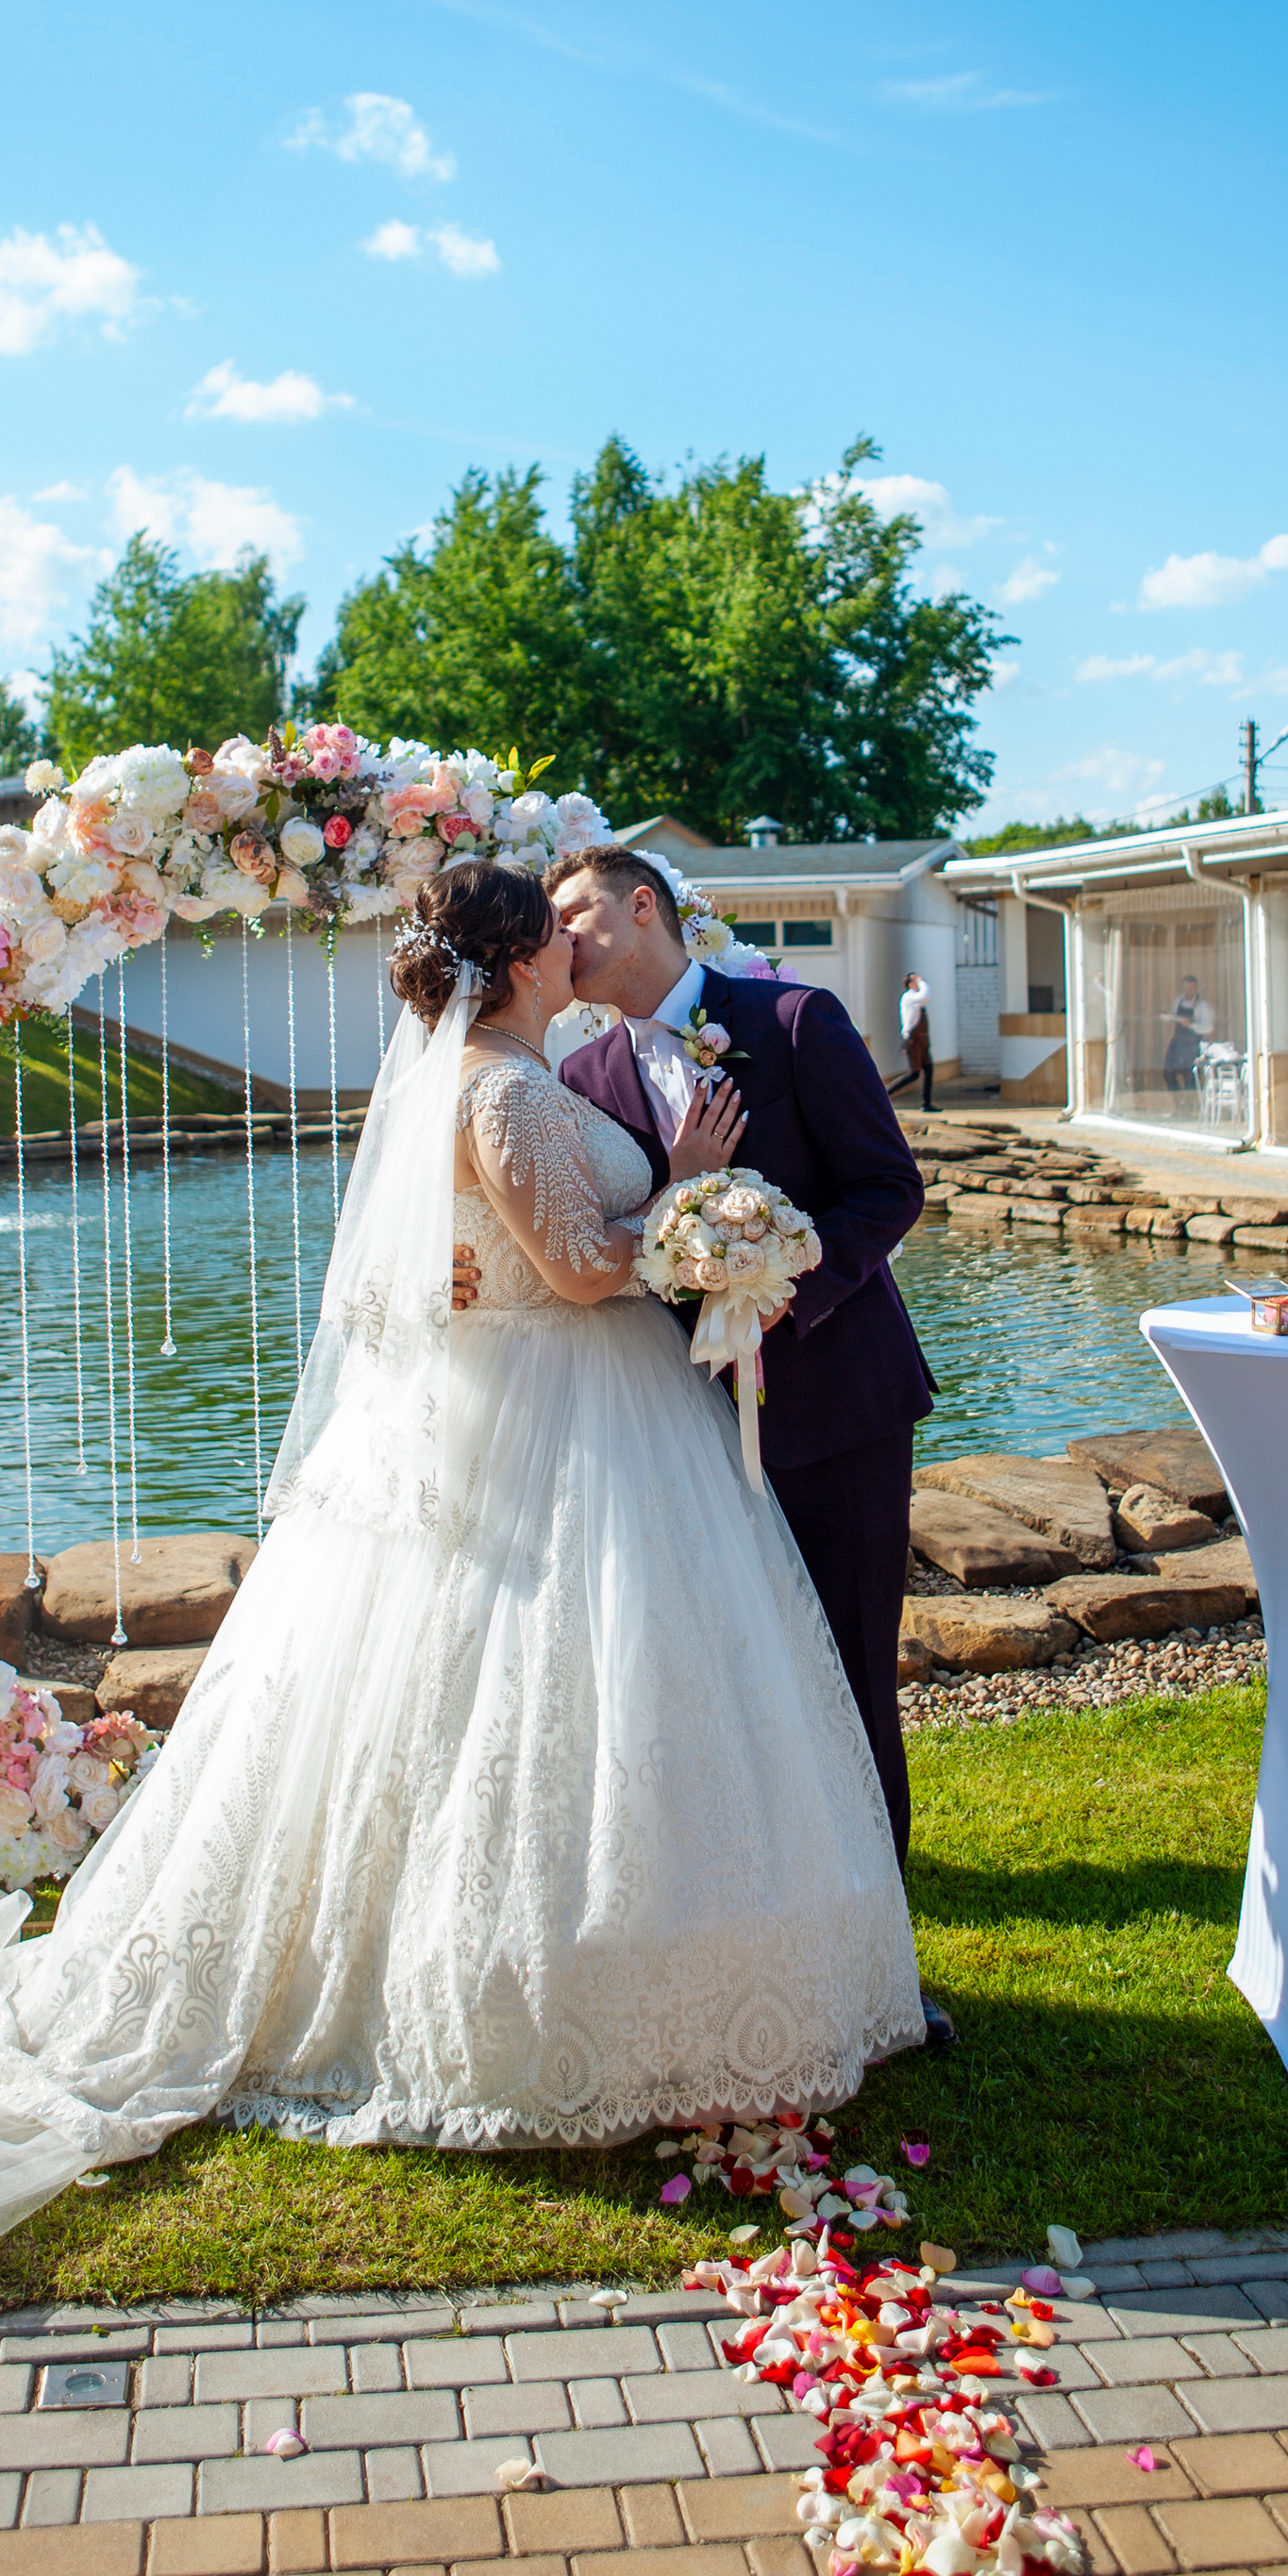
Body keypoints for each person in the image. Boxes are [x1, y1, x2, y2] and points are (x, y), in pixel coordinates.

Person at [0, 860, 923, 2272]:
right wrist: (679, 1197)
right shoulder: (503, 1088)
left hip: (597, 1416)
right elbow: (579, 1270)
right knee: (546, 1698)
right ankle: (536, 1988)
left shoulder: (524, 1072)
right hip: (570, 1418)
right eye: (551, 934)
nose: (572, 947)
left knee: (560, 1703)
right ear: (517, 962)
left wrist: (696, 1225)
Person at [544, 847, 957, 2051]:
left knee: (847, 1683)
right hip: (680, 1434)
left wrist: (781, 1284)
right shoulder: (579, 1072)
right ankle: (774, 1936)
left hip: (837, 1412)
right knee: (735, 1693)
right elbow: (615, 1241)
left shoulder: (788, 1020)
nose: (561, 942)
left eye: (574, 916)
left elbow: (888, 1192)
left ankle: (884, 1965)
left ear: (641, 907)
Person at [1164, 973, 1213, 1099]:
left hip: (1192, 1044)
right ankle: (1178, 1102)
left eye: (1190, 989)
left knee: (1189, 1076)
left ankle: (1187, 1105)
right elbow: (1173, 1015)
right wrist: (1167, 1018)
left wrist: (1191, 1025)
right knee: (1167, 1072)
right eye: (1185, 989)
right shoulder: (1179, 1000)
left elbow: (1208, 1028)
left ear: (1196, 988)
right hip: (1177, 1041)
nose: (1187, 992)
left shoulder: (1202, 1005)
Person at [897, 971, 936, 1112]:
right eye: (915, 980)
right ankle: (884, 1093)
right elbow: (925, 996)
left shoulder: (915, 998)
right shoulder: (909, 997)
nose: (918, 981)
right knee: (914, 1073)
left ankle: (926, 1103)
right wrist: (923, 982)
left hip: (923, 1039)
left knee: (928, 1069)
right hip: (914, 1039)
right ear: (909, 984)